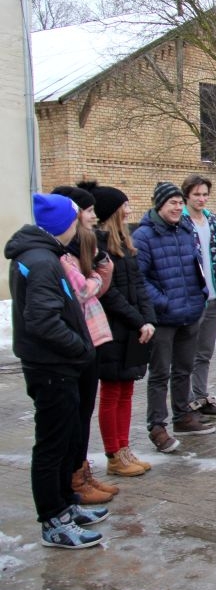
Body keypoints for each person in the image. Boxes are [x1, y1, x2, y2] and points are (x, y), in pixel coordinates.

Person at [6, 193, 107, 549]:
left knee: (65, 441)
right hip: (52, 367)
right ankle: (53, 520)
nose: (80, 226)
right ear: (63, 225)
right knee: (52, 445)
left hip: (57, 365)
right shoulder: (42, 261)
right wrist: (79, 347)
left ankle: (66, 504)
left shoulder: (45, 256)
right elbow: (42, 319)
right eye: (75, 220)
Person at [133, 181, 214, 452]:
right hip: (164, 317)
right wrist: (163, 302)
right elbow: (139, 278)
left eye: (180, 203)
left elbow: (196, 265)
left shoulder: (185, 229)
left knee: (184, 369)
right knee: (159, 375)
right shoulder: (144, 236)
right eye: (173, 203)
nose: (178, 207)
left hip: (190, 312)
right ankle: (157, 426)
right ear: (159, 205)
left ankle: (183, 416)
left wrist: (201, 293)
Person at [51, 186, 117, 504]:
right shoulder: (63, 256)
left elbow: (96, 286)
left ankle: (81, 471)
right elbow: (83, 290)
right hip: (77, 341)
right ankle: (75, 480)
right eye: (88, 211)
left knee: (83, 413)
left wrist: (100, 271)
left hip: (90, 336)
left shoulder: (83, 247)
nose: (93, 216)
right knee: (75, 417)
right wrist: (95, 276)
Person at [88, 184, 156, 477]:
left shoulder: (126, 245)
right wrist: (137, 321)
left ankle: (125, 448)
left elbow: (139, 286)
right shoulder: (97, 247)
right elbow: (109, 293)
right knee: (112, 391)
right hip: (114, 328)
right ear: (112, 212)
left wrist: (148, 319)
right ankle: (114, 454)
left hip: (132, 328)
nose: (129, 209)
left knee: (127, 390)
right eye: (124, 205)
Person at [181, 174, 216, 420]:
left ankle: (201, 397)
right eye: (196, 195)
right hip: (191, 298)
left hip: (213, 296)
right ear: (186, 196)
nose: (201, 199)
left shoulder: (211, 220)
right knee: (187, 354)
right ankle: (186, 402)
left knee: (205, 352)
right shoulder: (180, 221)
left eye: (205, 194)